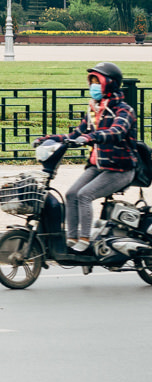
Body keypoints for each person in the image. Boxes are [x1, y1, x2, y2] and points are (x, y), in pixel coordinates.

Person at [58, 62, 139, 255]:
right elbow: (77, 133)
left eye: (98, 82)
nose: (93, 86)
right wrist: (49, 140)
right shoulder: (95, 109)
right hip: (100, 164)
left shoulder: (123, 110)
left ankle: (85, 240)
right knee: (71, 194)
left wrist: (91, 137)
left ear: (109, 84)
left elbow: (116, 131)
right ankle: (71, 238)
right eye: (92, 82)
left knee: (84, 195)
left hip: (121, 168)